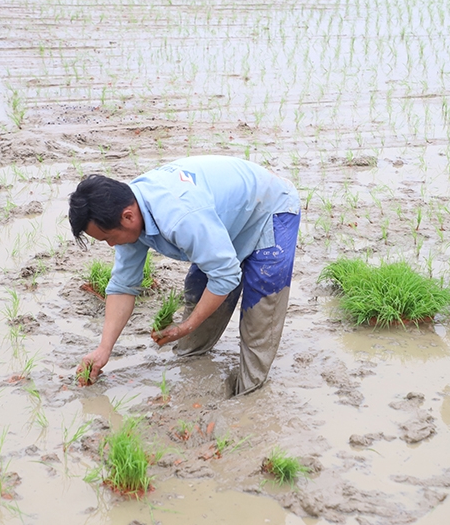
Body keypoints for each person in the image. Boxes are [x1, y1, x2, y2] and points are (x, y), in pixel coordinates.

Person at [68, 155, 301, 395]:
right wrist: (104, 349)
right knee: (198, 289)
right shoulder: (127, 210)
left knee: (260, 311)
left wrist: (186, 325)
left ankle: (250, 395)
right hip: (221, 219)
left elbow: (225, 276)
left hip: (270, 206)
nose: (110, 245)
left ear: (128, 216)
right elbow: (123, 286)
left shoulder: (179, 217)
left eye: (108, 237)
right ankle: (191, 363)